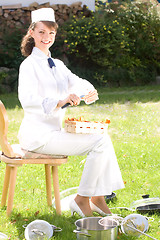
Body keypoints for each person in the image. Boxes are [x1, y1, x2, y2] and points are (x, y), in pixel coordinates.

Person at [18, 8, 124, 217]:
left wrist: (87, 90)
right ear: (31, 32)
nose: (46, 38)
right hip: (38, 136)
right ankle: (83, 199)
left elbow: (76, 81)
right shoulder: (28, 65)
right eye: (41, 32)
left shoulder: (56, 64)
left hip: (54, 132)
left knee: (102, 138)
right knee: (100, 142)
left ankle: (97, 198)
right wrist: (60, 101)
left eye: (51, 33)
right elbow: (27, 101)